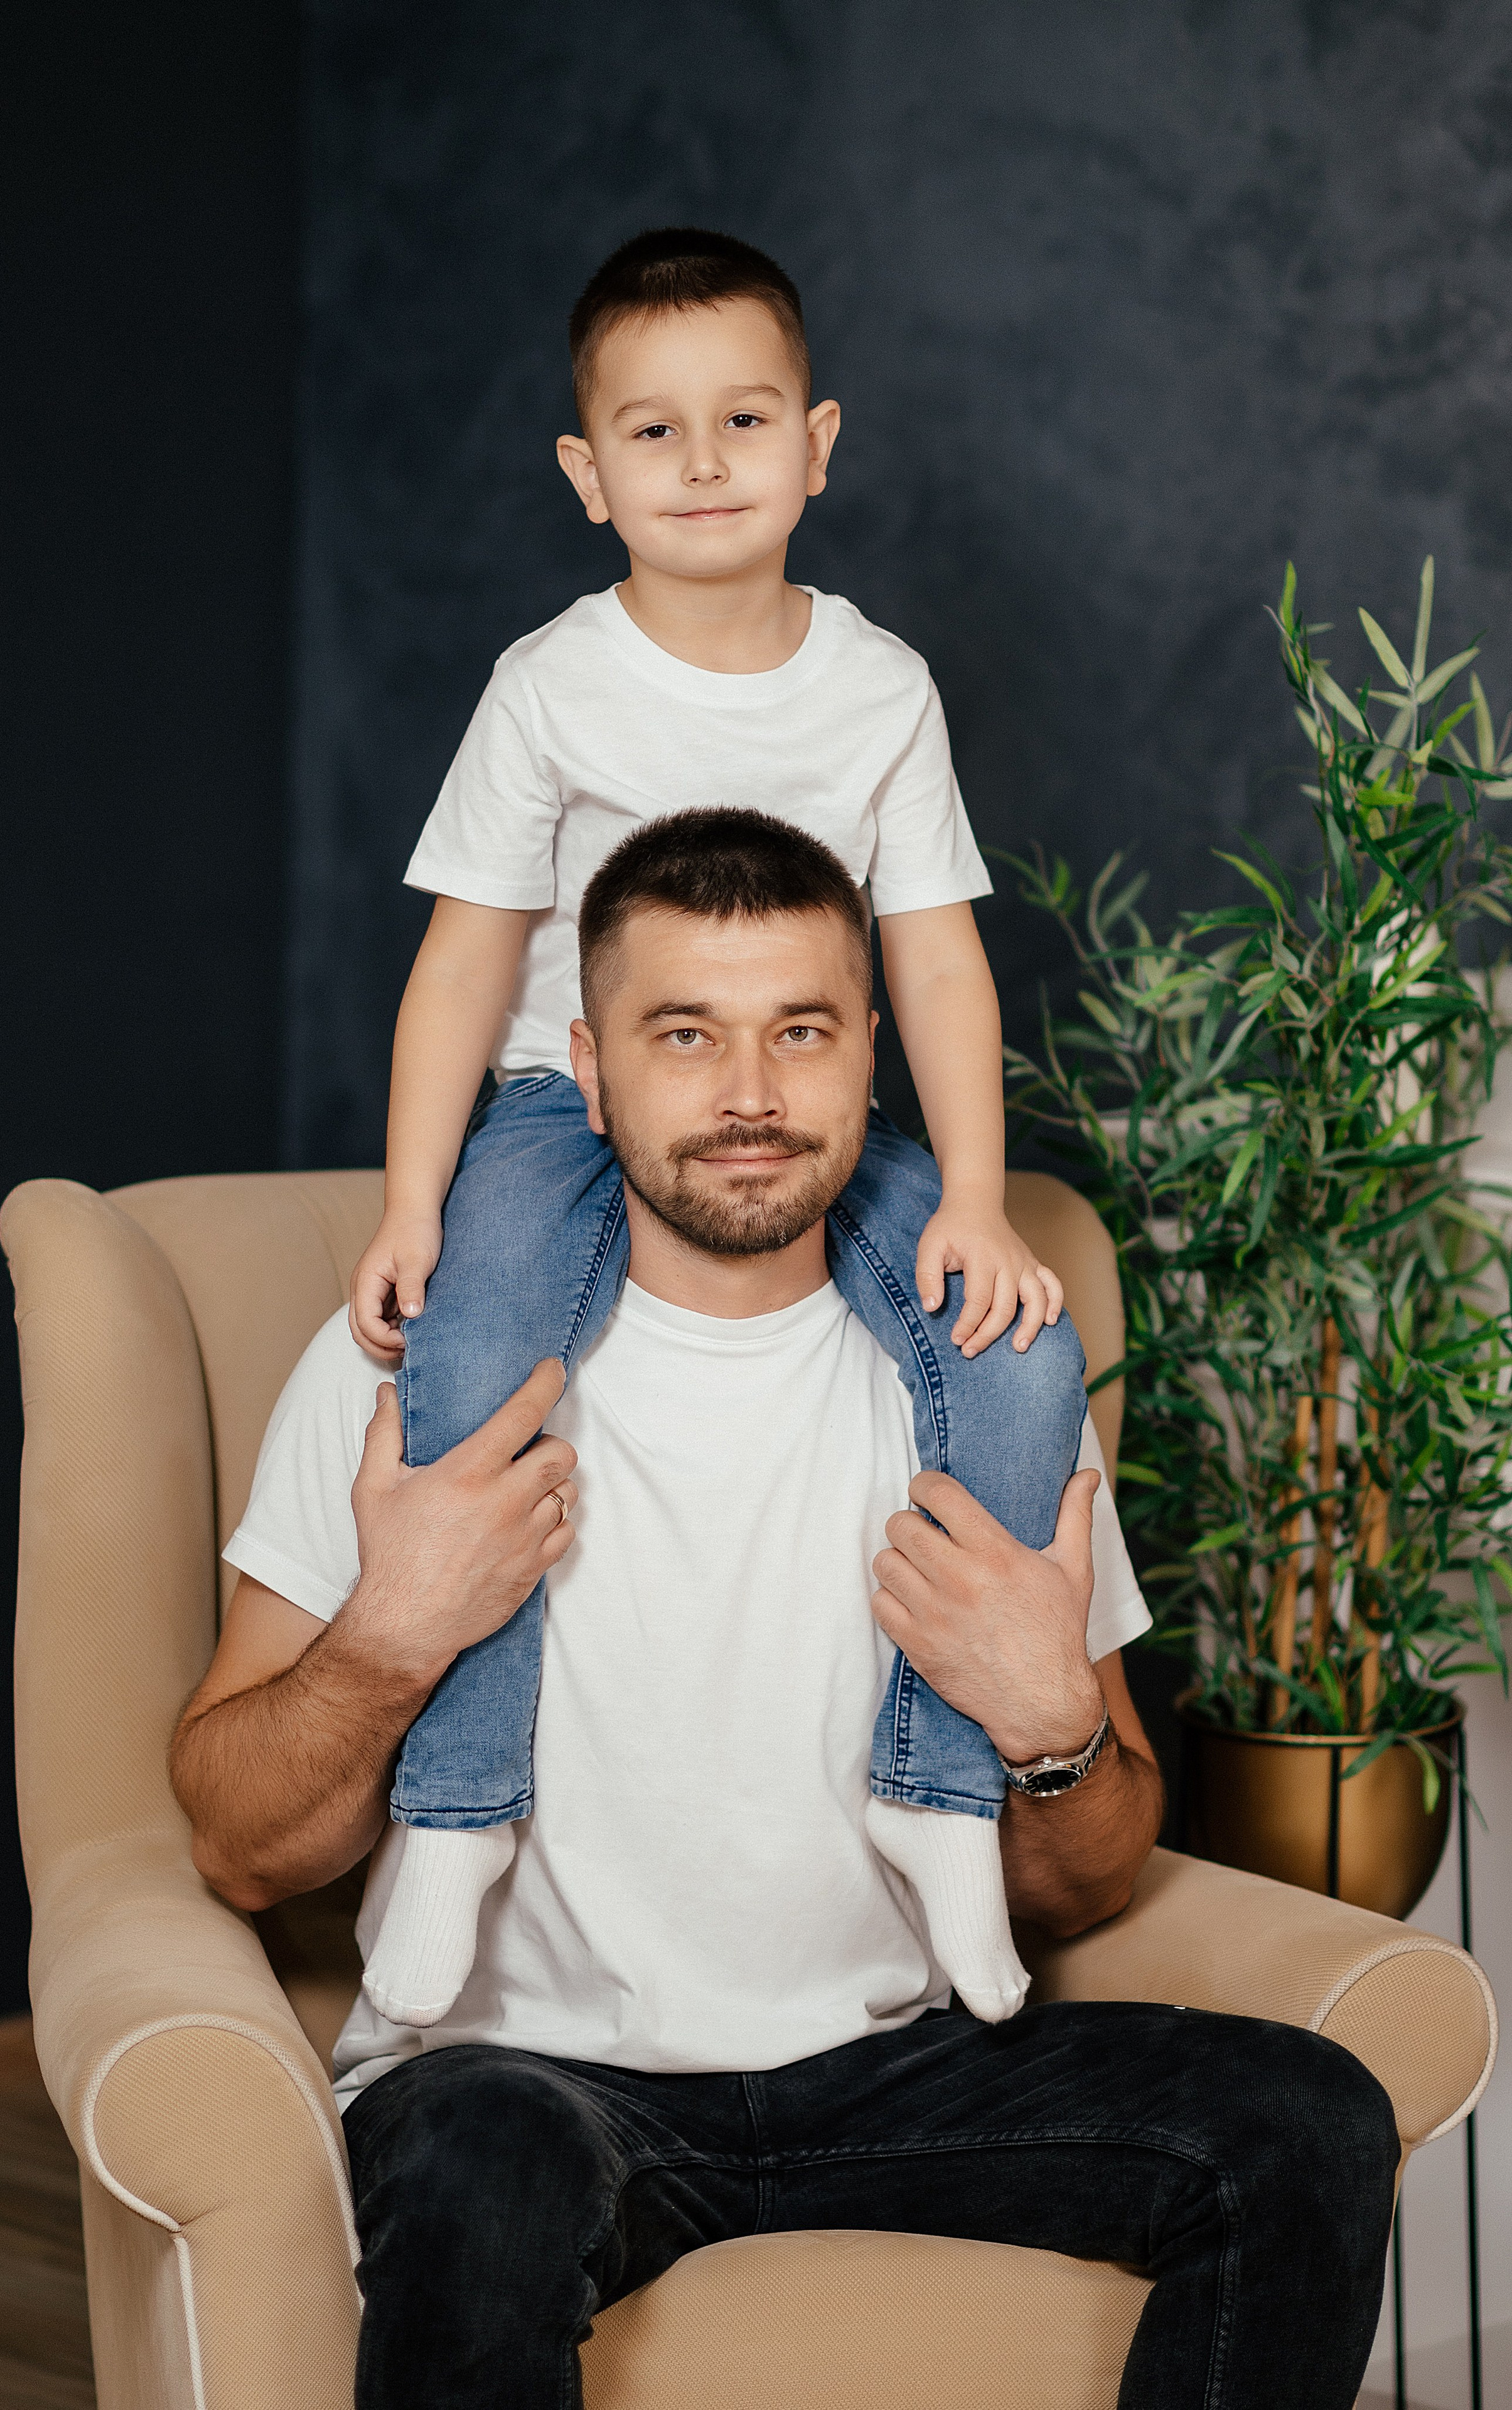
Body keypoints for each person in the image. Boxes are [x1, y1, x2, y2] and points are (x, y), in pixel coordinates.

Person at [171, 832, 1398, 2410]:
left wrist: (1048, 1722)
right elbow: (234, 1846)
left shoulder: (983, 1379)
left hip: (898, 2066)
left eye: (799, 1030)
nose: (748, 1092)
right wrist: (397, 1629)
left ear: (874, 1057)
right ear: (587, 1073)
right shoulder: (404, 1373)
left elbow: (1092, 1877)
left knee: (1306, 2123)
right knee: (484, 2157)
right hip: (529, 2080)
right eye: (683, 1033)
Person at [341, 226, 1082, 2026]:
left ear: (817, 445)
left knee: (1022, 1364)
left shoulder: (879, 687)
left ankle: (938, 1795)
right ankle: (460, 1808)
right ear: (590, 477)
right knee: (476, 1353)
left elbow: (939, 967)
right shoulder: (552, 684)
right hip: (560, 1103)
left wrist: (974, 1199)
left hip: (801, 1111)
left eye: (742, 420)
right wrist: (412, 1203)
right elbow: (462, 963)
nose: (702, 464)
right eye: (652, 433)